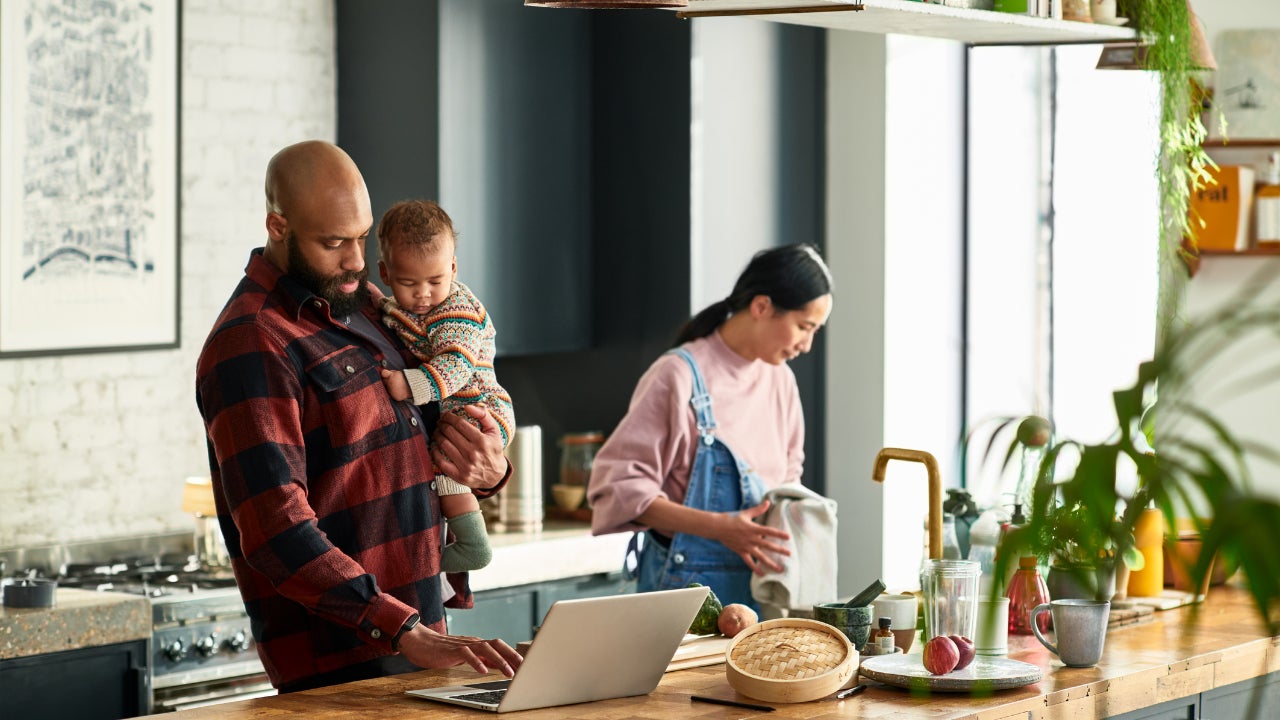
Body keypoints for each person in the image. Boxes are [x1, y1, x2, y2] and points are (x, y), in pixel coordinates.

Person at [195, 140, 523, 693]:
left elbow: (430, 424)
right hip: (342, 661)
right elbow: (276, 530)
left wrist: (488, 468)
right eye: (333, 243)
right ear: (277, 226)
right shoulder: (252, 342)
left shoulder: (366, 303)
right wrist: (402, 628)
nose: (355, 261)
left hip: (420, 638)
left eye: (361, 238)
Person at [586, 244, 834, 610]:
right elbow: (617, 491)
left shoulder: (781, 382)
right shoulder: (679, 376)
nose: (807, 344)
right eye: (803, 327)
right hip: (681, 598)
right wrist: (721, 527)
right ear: (762, 307)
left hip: (757, 601)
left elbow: (788, 482)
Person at [375, 199, 515, 573]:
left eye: (436, 281)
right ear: (385, 273)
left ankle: (473, 546)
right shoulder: (401, 307)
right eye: (409, 283)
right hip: (457, 409)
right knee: (444, 466)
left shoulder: (455, 311)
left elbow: (456, 366)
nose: (423, 293)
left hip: (480, 408)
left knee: (445, 466)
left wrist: (408, 385)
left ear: (453, 268)